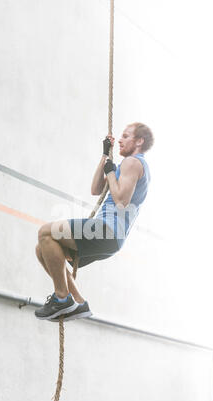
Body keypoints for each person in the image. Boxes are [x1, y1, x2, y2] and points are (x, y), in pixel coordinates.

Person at [34, 122, 154, 322]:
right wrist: (105, 157)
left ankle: (62, 298)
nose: (121, 140)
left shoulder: (133, 163)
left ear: (139, 141)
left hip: (108, 230)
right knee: (43, 249)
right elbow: (96, 189)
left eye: (126, 136)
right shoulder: (127, 167)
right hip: (109, 238)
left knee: (46, 232)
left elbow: (122, 201)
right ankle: (79, 303)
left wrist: (110, 172)